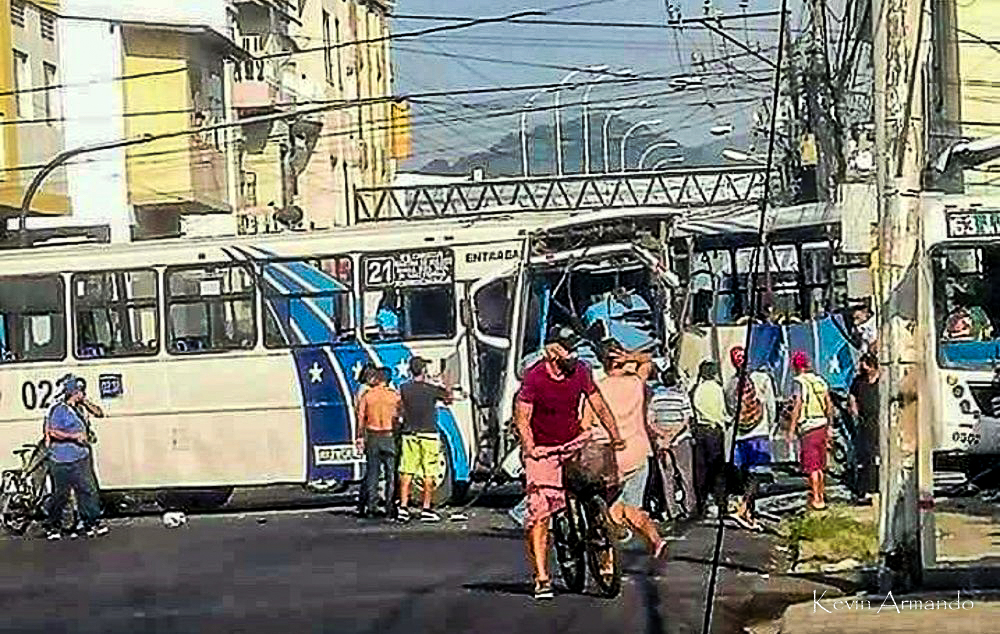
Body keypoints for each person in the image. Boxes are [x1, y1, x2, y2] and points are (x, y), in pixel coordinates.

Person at [514, 326, 625, 600]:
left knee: (599, 482)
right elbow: (523, 419)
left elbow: (598, 404)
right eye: (567, 348)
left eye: (575, 348)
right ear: (551, 351)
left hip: (574, 444)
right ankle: (542, 578)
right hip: (544, 451)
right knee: (540, 515)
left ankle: (600, 532)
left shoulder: (582, 371)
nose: (573, 354)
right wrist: (530, 448)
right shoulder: (536, 378)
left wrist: (616, 435)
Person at [584, 343, 667, 559]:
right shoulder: (635, 383)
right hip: (638, 453)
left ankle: (609, 561)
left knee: (610, 510)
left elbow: (585, 424)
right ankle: (655, 539)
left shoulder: (596, 388)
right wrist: (630, 355)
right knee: (632, 506)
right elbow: (647, 361)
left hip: (608, 457)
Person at [43, 377, 108, 540]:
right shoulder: (58, 410)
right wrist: (73, 437)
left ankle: (91, 522)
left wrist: (85, 402)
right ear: (72, 393)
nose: (82, 393)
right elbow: (52, 432)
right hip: (61, 459)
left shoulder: (81, 409)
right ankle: (53, 525)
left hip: (81, 457)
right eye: (79, 391)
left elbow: (99, 413)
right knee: (60, 494)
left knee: (87, 490)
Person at [724, 346, 774, 530]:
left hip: (740, 434)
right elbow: (770, 405)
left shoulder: (730, 385)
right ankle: (743, 506)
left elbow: (730, 409)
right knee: (757, 474)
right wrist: (771, 424)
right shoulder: (762, 379)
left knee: (746, 474)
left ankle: (749, 515)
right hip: (758, 432)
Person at [397, 357, 451, 523]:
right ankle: (426, 509)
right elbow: (448, 398)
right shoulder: (431, 389)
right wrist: (445, 381)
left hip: (409, 433)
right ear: (424, 370)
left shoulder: (404, 388)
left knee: (407, 471)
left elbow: (399, 407)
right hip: (429, 433)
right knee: (429, 472)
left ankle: (403, 508)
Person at [646, 366, 696, 522]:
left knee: (667, 478)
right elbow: (686, 419)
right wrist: (673, 434)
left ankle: (672, 511)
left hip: (661, 442)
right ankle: (689, 509)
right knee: (686, 475)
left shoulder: (656, 398)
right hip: (680, 440)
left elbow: (650, 420)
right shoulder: (683, 397)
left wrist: (663, 435)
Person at [787, 351, 834, 510]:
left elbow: (797, 405)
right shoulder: (820, 380)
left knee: (812, 465)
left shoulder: (799, 382)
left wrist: (792, 429)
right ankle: (821, 494)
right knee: (820, 465)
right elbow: (829, 404)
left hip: (809, 426)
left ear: (795, 366)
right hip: (822, 424)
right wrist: (830, 425)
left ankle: (816, 499)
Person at [355, 368, 401, 519]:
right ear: (387, 380)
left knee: (373, 474)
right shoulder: (394, 396)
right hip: (389, 435)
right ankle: (389, 507)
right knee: (391, 474)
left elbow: (361, 418)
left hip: (373, 435)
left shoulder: (367, 396)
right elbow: (399, 417)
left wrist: (360, 437)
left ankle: (371, 508)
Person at [690, 360, 727, 519]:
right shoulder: (718, 389)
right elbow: (724, 411)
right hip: (715, 431)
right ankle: (721, 503)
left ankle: (701, 504)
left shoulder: (696, 389)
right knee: (718, 470)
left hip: (700, 431)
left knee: (701, 470)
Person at [849, 353, 880, 504]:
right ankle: (865, 489)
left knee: (878, 456)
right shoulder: (858, 381)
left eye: (866, 366)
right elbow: (852, 395)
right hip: (864, 421)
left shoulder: (882, 381)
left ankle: (877, 487)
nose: (864, 369)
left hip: (880, 421)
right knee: (866, 456)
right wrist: (854, 409)